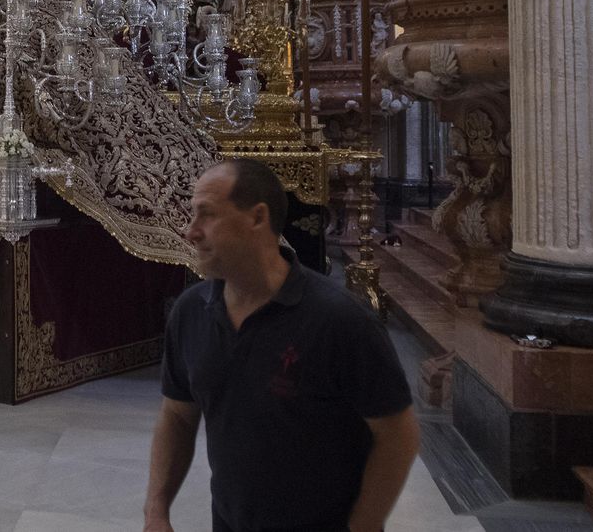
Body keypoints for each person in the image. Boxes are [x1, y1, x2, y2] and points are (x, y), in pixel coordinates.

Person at [144, 159, 418, 532]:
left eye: (206, 215)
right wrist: (156, 511)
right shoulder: (191, 312)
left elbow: (397, 434)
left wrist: (364, 526)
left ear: (257, 217)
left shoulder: (339, 321)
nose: (190, 231)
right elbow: (177, 415)